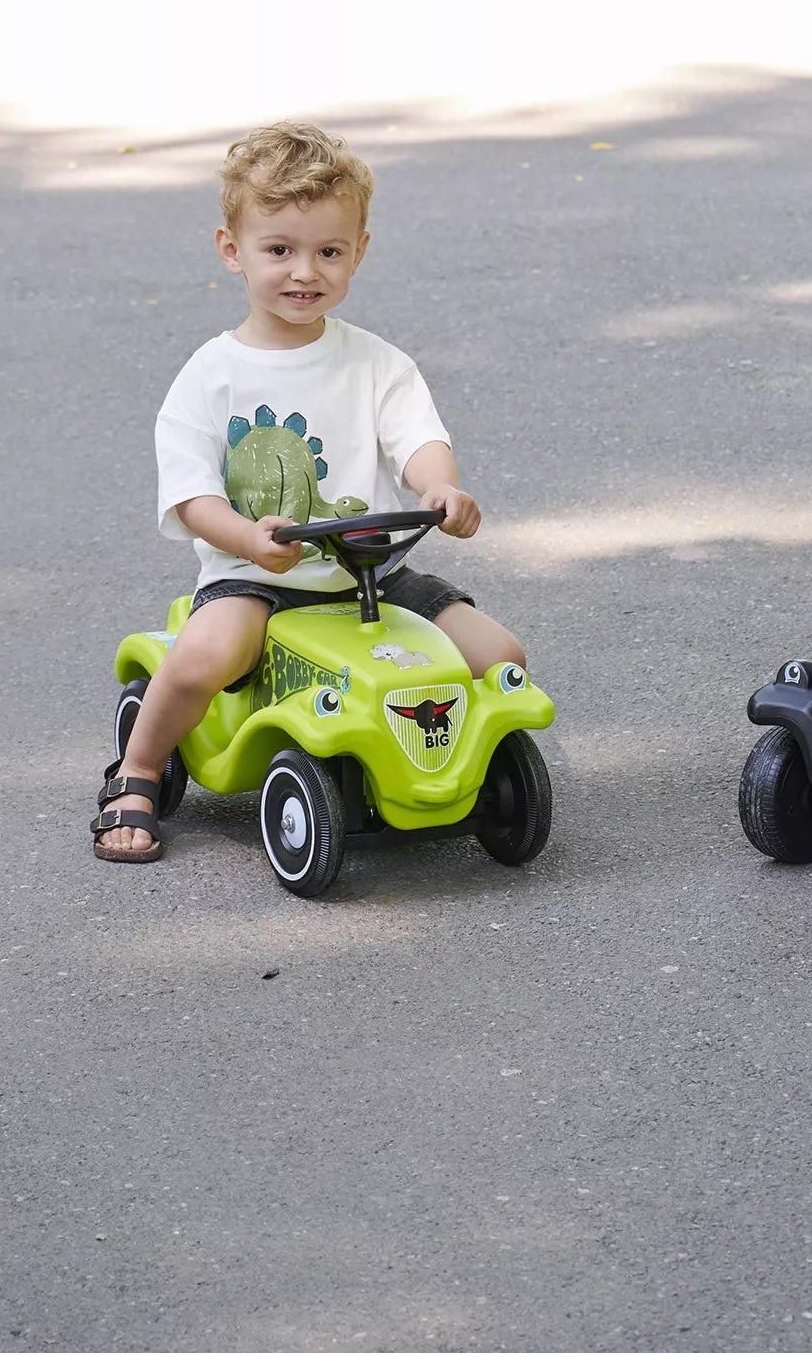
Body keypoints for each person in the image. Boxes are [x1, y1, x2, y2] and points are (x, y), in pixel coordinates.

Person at [93, 119, 524, 863]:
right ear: (233, 251)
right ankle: (136, 770)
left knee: (498, 654)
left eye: (329, 252)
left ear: (359, 250)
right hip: (259, 577)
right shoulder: (211, 375)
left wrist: (440, 488)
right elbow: (192, 494)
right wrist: (245, 539)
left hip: (375, 573)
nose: (305, 272)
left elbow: (417, 437)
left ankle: (469, 770)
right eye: (280, 251)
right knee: (205, 656)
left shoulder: (377, 364)